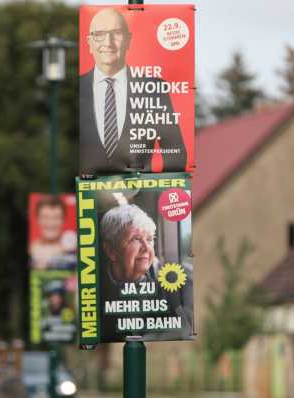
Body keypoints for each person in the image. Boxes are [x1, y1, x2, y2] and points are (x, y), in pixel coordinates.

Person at [79, 7, 186, 175]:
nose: (108, 42)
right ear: (89, 42)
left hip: (143, 195)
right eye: (99, 34)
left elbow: (176, 155)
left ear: (128, 40)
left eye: (116, 33)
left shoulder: (153, 89)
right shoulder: (77, 89)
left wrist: (157, 193)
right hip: (91, 197)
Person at [99, 204, 193, 341]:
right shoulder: (95, 288)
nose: (146, 248)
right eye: (135, 239)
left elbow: (186, 330)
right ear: (111, 251)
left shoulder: (180, 279)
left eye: (149, 239)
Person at [30, 195, 77, 270]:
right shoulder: (30, 250)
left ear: (63, 220)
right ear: (37, 219)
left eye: (56, 218)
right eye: (46, 217)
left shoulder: (75, 250)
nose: (51, 223)